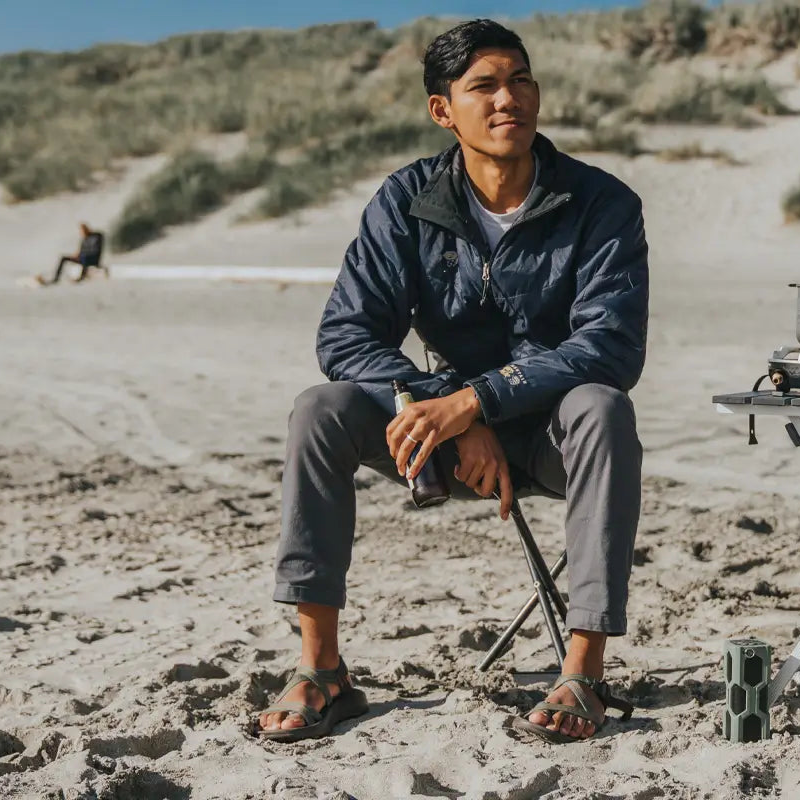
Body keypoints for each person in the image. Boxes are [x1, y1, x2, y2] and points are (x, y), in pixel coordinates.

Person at [256, 19, 649, 745]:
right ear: (444, 110)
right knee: (321, 409)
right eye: (485, 86)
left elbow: (611, 346)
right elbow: (346, 334)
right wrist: (452, 413)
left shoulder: (602, 203)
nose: (510, 99)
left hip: (550, 436)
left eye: (522, 79)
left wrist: (481, 400)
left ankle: (583, 673)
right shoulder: (408, 202)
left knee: (602, 406)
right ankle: (322, 671)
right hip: (443, 437)